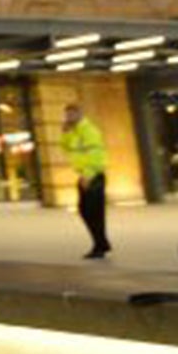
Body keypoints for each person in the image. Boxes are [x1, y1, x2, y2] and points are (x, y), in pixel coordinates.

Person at [60, 103, 112, 259]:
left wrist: (88, 175)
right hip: (84, 175)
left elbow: (97, 155)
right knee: (85, 211)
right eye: (67, 115)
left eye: (71, 114)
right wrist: (65, 133)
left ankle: (100, 246)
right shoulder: (75, 132)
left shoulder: (89, 131)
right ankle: (101, 243)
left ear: (79, 114)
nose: (68, 117)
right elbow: (67, 149)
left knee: (93, 212)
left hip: (93, 175)